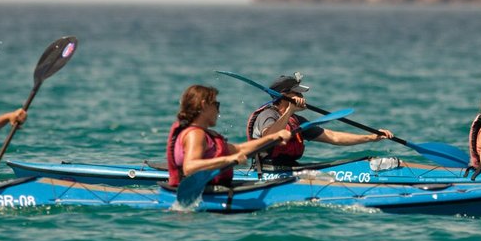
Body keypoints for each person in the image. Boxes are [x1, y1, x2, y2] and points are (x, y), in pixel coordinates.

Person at [246, 74, 393, 168]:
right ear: (285, 95)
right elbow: (269, 136)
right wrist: (290, 109)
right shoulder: (267, 115)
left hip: (291, 168)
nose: (302, 97)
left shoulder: (296, 120)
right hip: (268, 171)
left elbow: (334, 137)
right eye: (297, 93)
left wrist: (372, 137)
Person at [167, 84, 292, 189]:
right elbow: (190, 167)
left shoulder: (204, 134)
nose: (218, 111)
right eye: (216, 105)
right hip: (200, 194)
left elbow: (239, 149)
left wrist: (273, 138)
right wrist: (229, 160)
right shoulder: (195, 134)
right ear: (204, 105)